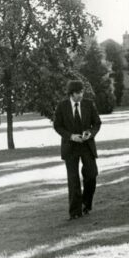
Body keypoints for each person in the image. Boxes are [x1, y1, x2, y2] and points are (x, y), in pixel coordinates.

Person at [53, 80, 102, 220]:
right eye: (77, 93)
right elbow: (57, 126)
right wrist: (71, 136)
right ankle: (75, 212)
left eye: (82, 92)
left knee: (91, 175)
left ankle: (86, 203)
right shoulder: (62, 106)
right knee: (73, 180)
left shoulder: (89, 104)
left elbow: (97, 123)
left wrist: (90, 133)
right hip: (70, 147)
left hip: (87, 146)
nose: (81, 95)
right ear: (71, 93)